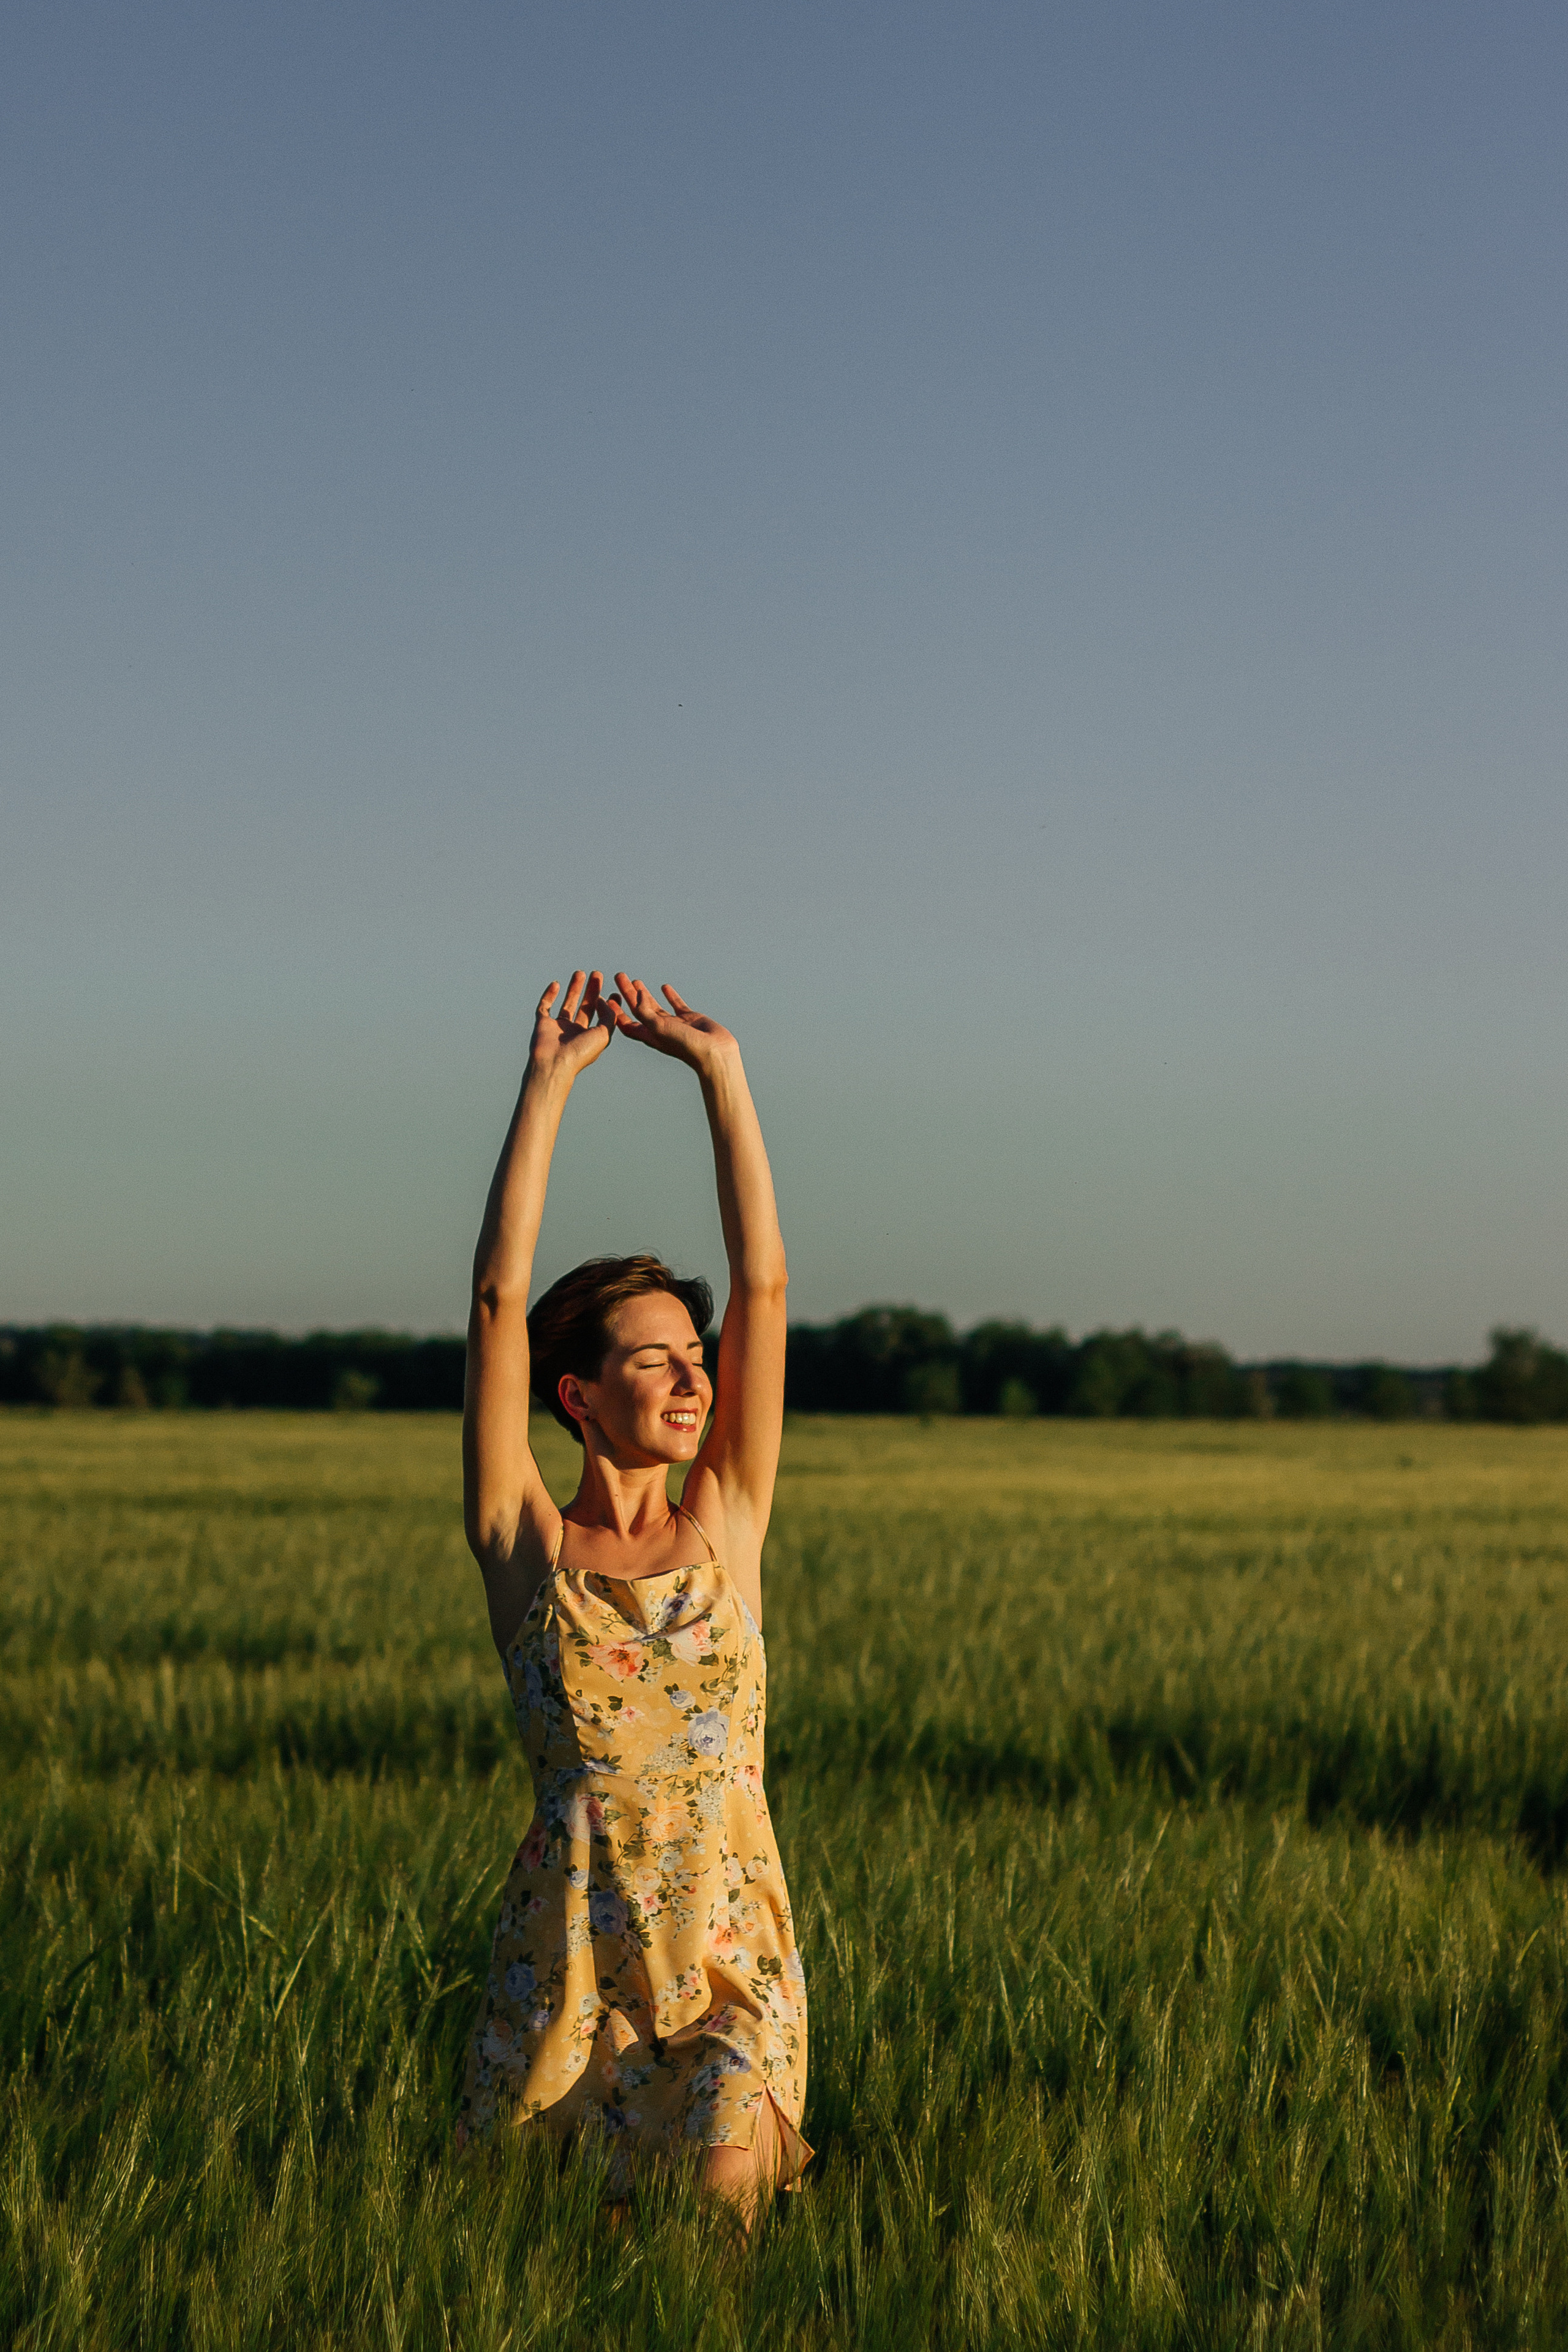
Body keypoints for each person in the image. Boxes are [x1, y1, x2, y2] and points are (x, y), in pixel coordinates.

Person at [455, 971, 811, 2226]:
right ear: (577, 1396)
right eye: (652, 1360)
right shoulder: (528, 1555)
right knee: (550, 2265)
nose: (690, 1381)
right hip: (562, 1990)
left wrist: (722, 1075)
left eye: (696, 1362)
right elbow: (499, 1305)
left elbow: (762, 1287)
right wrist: (544, 1086)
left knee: (713, 2212)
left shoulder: (726, 1527)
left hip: (724, 1984)